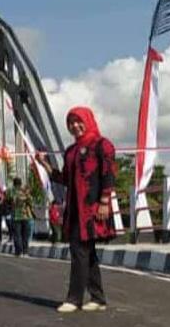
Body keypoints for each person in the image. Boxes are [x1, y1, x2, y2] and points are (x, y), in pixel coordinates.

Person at [37, 106, 116, 314]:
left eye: (78, 121)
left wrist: (105, 201)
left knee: (79, 252)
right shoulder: (71, 151)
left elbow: (108, 174)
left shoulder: (102, 145)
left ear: (88, 120)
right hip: (75, 210)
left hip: (92, 209)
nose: (75, 126)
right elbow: (65, 179)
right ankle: (98, 298)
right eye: (71, 123)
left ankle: (74, 299)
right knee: (87, 254)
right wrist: (44, 164)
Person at [7, 177, 34, 256]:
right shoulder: (25, 191)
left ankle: (18, 251)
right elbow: (30, 201)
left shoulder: (11, 191)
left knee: (17, 234)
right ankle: (25, 251)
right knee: (25, 235)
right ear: (21, 183)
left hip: (16, 215)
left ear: (14, 183)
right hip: (26, 215)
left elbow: (7, 199)